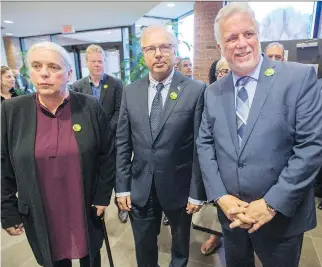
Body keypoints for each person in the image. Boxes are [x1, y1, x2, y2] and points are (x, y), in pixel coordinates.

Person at [196, 3, 322, 267]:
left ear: (258, 36)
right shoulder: (213, 92)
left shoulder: (298, 79)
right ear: (220, 47)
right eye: (231, 38)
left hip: (280, 220)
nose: (242, 44)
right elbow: (205, 145)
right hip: (232, 216)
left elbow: (311, 147)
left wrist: (270, 204)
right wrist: (221, 196)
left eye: (248, 34)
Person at [1, 41, 115, 267]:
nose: (44, 73)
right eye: (36, 66)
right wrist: (7, 210)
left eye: (53, 67)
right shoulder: (12, 111)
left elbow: (107, 154)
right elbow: (3, 163)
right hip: (41, 208)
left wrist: (103, 195)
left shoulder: (89, 106)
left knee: (90, 256)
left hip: (83, 205)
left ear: (69, 73)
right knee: (52, 257)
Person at [116, 25, 206, 267]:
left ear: (175, 52)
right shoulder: (130, 91)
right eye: (150, 48)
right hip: (140, 185)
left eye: (164, 47)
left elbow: (200, 146)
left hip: (179, 185)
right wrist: (122, 188)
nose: (158, 53)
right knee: (143, 245)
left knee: (180, 247)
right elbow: (123, 142)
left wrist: (197, 192)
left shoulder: (195, 91)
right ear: (144, 55)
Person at [72, 44, 126, 223]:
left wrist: (106, 131)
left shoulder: (115, 84)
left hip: (113, 138)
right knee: (93, 173)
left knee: (118, 173)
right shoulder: (77, 86)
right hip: (90, 140)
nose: (97, 65)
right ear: (86, 63)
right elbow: (76, 114)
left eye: (100, 61)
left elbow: (120, 110)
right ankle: (95, 204)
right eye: (93, 61)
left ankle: (122, 206)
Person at [199, 57, 231, 256]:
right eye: (221, 71)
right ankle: (216, 235)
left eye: (228, 71)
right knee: (217, 203)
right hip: (215, 161)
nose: (223, 74)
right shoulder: (209, 95)